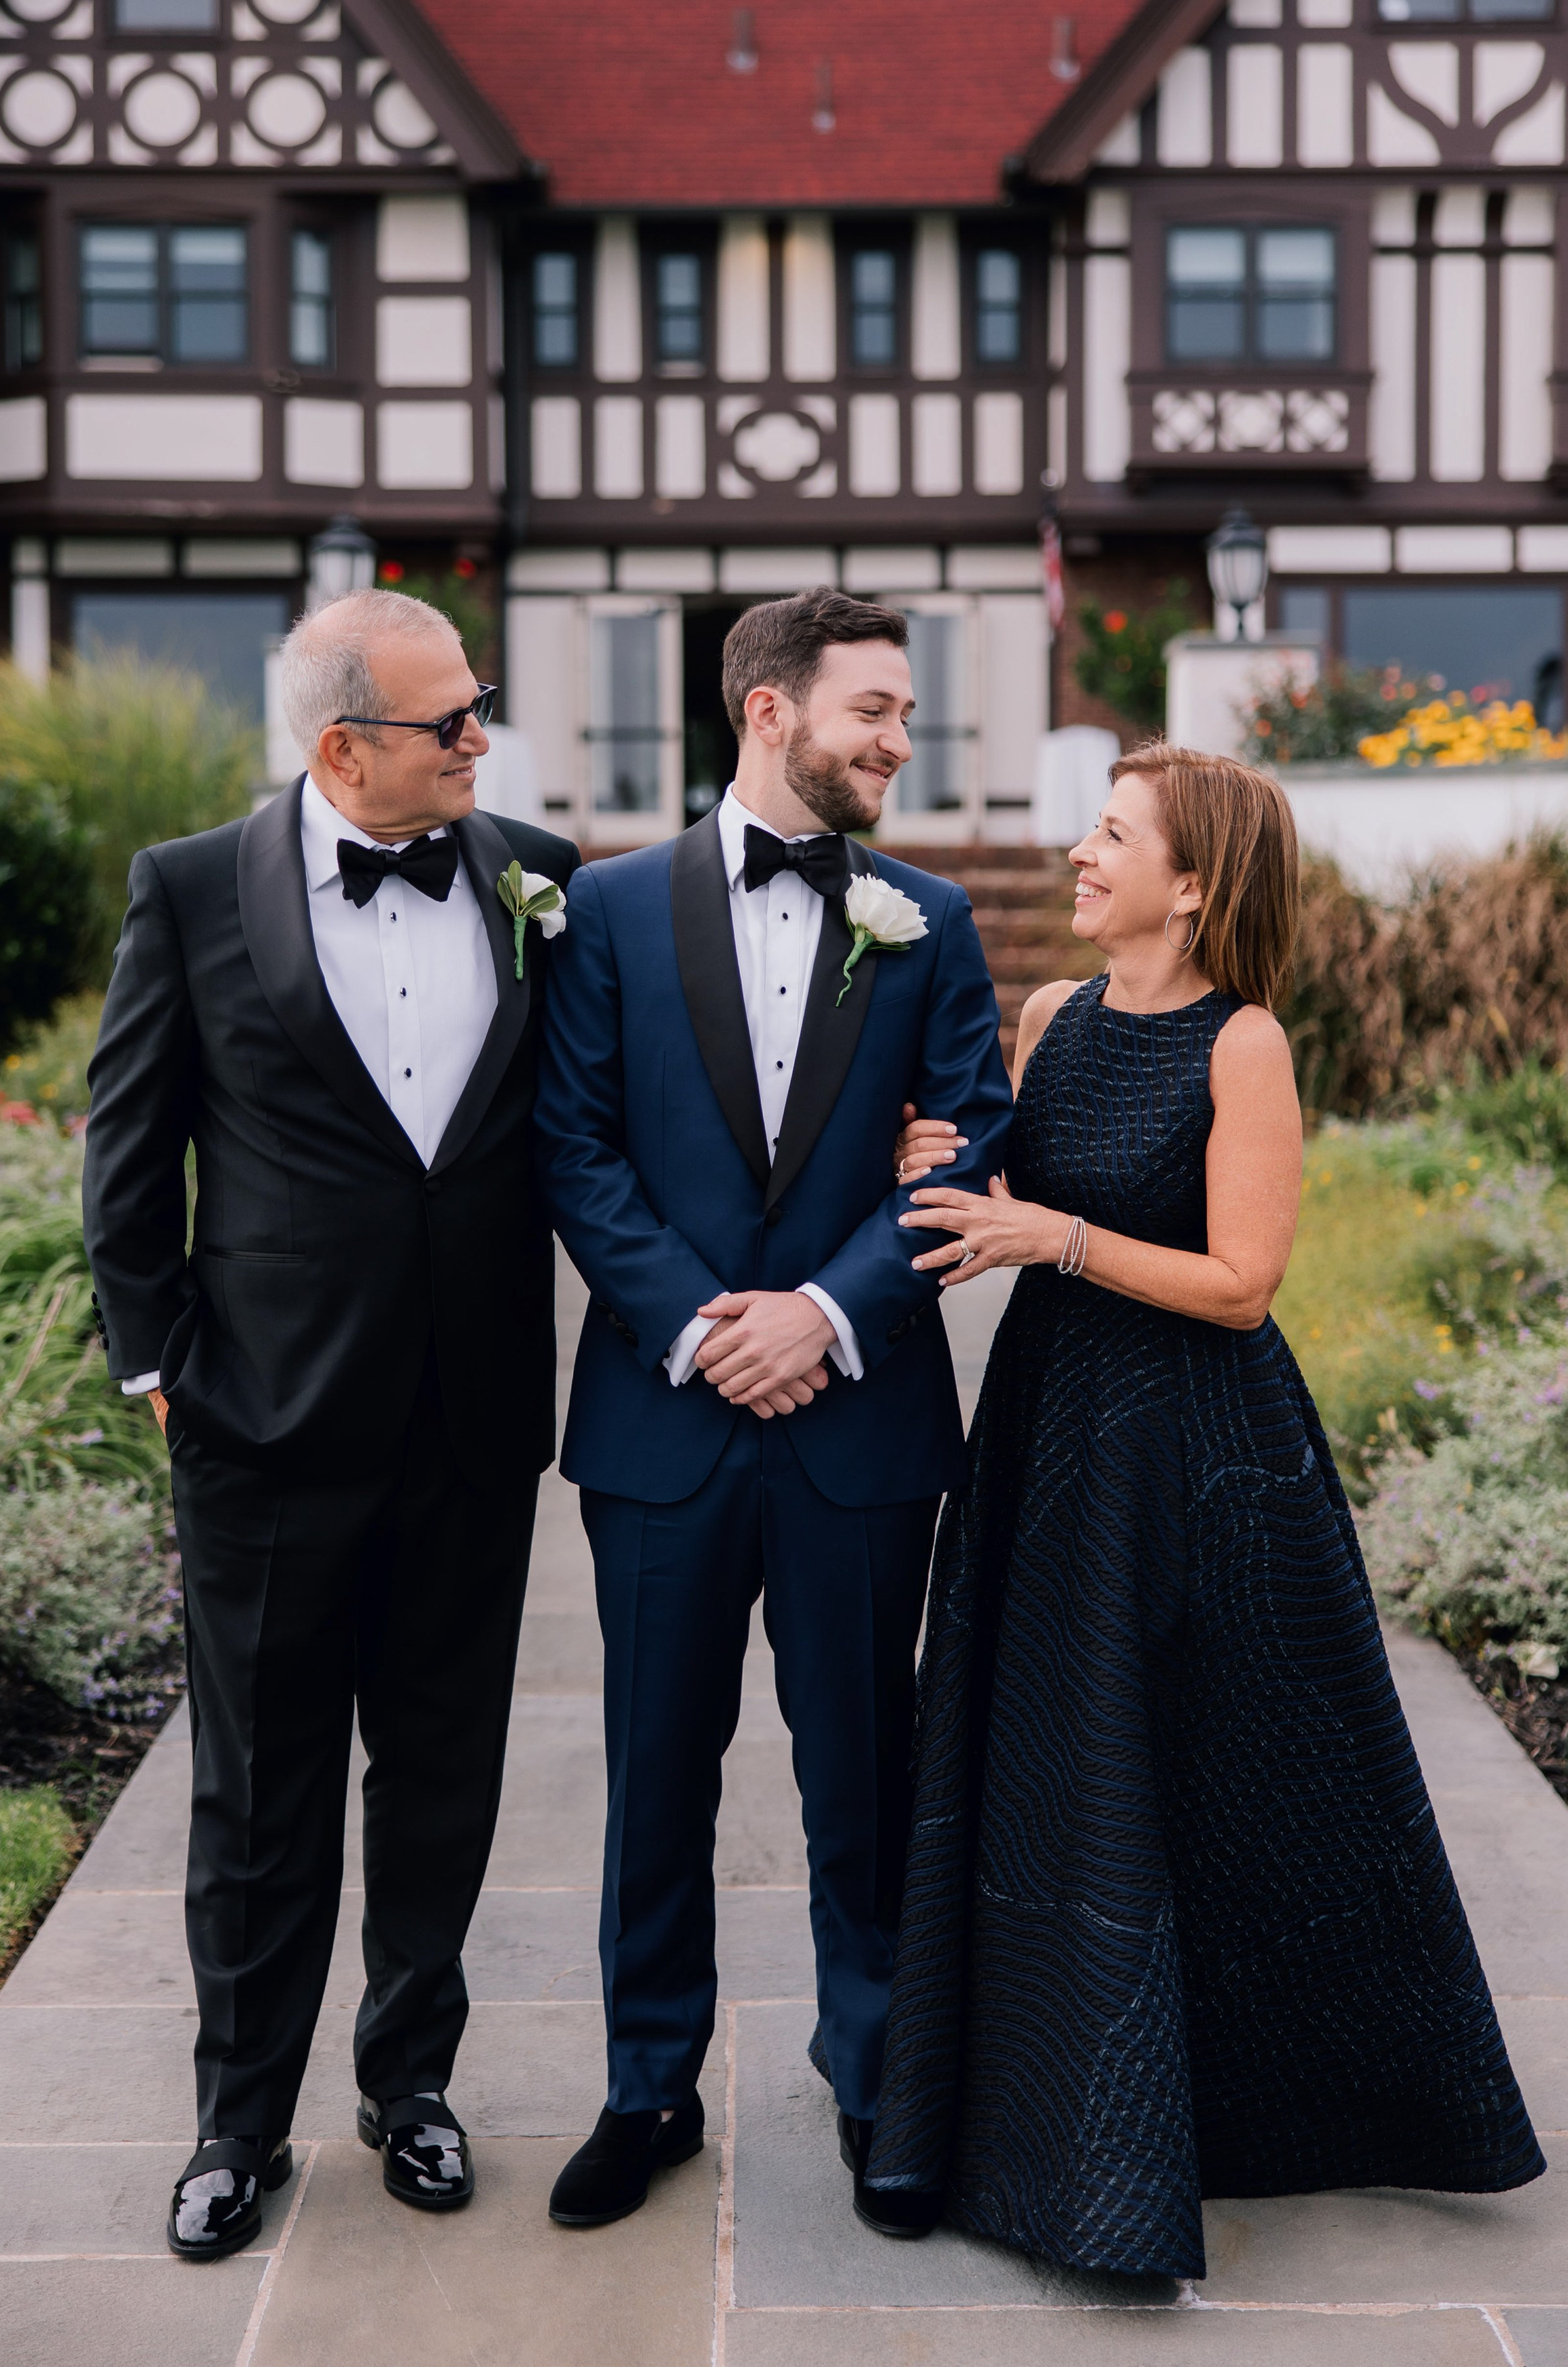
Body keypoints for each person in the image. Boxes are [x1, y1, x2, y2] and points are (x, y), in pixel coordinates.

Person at [868, 743, 1544, 2279]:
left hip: (1195, 1459)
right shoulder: (1050, 1016)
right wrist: (948, 1163)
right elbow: (1012, 1182)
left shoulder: (1244, 1047)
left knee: (1215, 1785)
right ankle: (1021, 2116)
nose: (1079, 854)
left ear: (1191, 885)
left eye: (1111, 836)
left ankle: (1239, 2117)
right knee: (1047, 1771)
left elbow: (1240, 1289)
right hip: (1047, 1435)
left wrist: (1055, 1234)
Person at [82, 590, 579, 2260]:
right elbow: (129, 1155)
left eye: (482, 705)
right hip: (266, 1424)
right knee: (259, 1790)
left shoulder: (538, 875)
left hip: (473, 1418)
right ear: (341, 744)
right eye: (454, 720)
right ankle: (237, 2120)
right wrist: (160, 1372)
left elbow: (618, 1109)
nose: (481, 741)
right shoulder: (190, 888)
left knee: (442, 1776)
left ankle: (409, 2084)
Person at [533, 589, 1013, 2234]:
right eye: (870, 709)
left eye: (899, 713)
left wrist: (820, 1312)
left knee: (861, 1777)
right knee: (655, 1771)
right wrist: (701, 1329)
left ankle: (878, 2082)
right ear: (766, 711)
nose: (895, 739)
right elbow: (574, 1150)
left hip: (855, 1422)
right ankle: (644, 2085)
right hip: (661, 1429)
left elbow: (975, 1141)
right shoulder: (601, 911)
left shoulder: (928, 921)